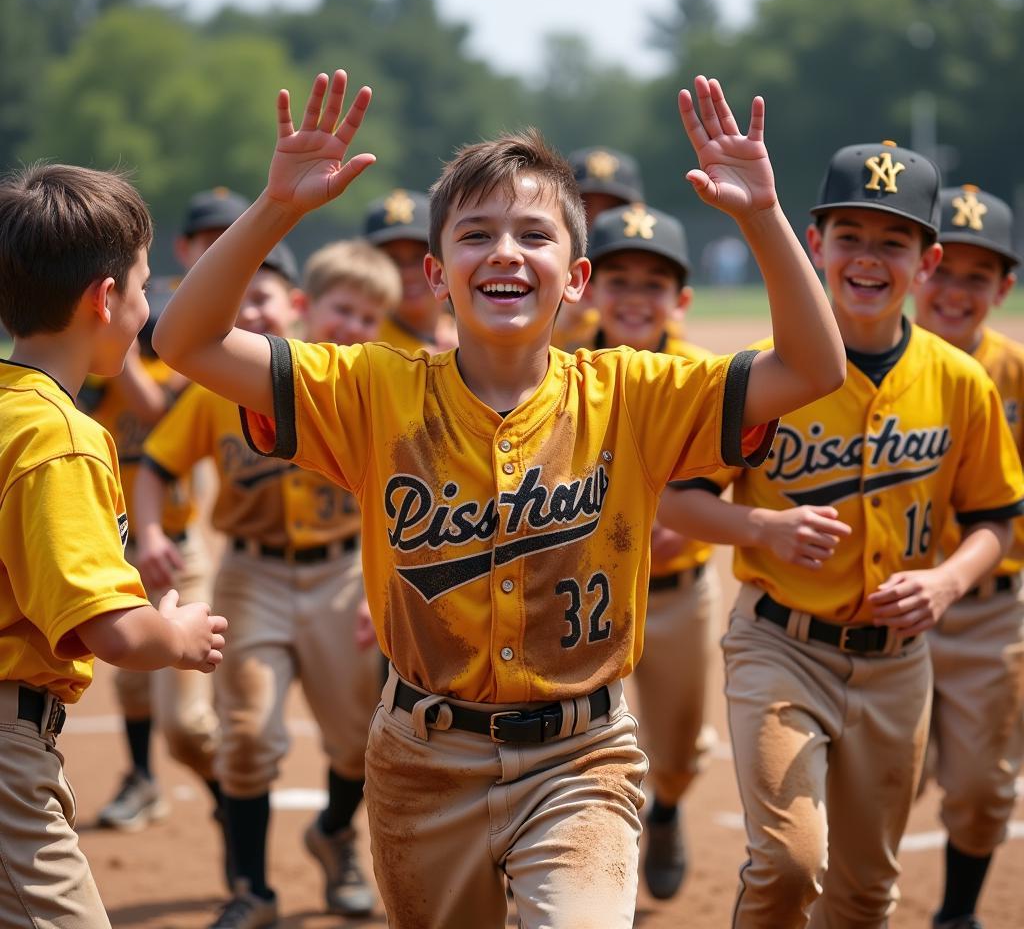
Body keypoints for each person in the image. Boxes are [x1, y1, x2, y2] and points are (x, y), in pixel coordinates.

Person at [152, 69, 845, 928]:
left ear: (577, 276)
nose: (506, 252)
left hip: (582, 758)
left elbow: (816, 368)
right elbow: (184, 340)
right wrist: (277, 210)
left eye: (534, 234)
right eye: (475, 235)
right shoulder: (371, 389)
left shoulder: (636, 393)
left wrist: (762, 217)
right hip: (419, 760)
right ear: (438, 276)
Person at [660, 143, 1024, 928]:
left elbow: (996, 517)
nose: (868, 257)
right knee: (791, 864)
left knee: (863, 897)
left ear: (925, 262)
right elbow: (679, 503)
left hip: (898, 667)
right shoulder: (761, 373)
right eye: (849, 234)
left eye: (892, 241)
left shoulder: (961, 382)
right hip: (782, 646)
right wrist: (761, 524)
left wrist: (948, 580)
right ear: (815, 244)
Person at [136, 239, 399, 927]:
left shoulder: (373, 384)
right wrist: (155, 533)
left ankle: (334, 835)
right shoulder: (224, 384)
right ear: (314, 311)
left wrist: (391, 586)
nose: (354, 327)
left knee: (357, 743)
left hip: (345, 571)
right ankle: (250, 888)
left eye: (369, 318)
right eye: (345, 310)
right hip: (251, 575)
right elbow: (157, 464)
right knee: (248, 733)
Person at [0, 162, 226, 927]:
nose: (145, 307)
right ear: (105, 300)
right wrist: (181, 635)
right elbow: (117, 630)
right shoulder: (64, 436)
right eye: (142, 287)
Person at [564, 202, 719, 900]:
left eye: (653, 285)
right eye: (618, 280)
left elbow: (735, 481)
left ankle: (670, 810)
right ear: (589, 286)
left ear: (680, 301)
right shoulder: (560, 368)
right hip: (578, 600)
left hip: (674, 593)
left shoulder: (703, 375)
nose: (633, 299)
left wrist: (694, 519)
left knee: (680, 748)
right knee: (566, 749)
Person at [90, 186, 247, 833]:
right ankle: (142, 779)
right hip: (112, 538)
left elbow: (161, 410)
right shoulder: (124, 344)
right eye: (207, 244)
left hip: (180, 543)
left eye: (229, 244)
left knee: (187, 717)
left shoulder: (219, 344)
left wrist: (138, 347)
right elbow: (131, 400)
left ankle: (235, 802)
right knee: (127, 686)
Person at [912, 184, 1024, 929]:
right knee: (872, 790)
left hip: (988, 612)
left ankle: (956, 915)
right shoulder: (865, 360)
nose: (955, 293)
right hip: (889, 606)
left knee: (984, 789)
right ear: (921, 267)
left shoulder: (1012, 372)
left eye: (976, 278)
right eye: (945, 270)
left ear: (1003, 287)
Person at [554, 147, 646, 350]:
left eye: (613, 209)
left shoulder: (648, 272)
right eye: (584, 206)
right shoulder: (543, 264)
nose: (598, 220)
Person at [364, 188, 455, 352]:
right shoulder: (361, 346)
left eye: (419, 257)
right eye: (393, 260)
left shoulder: (470, 335)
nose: (408, 274)